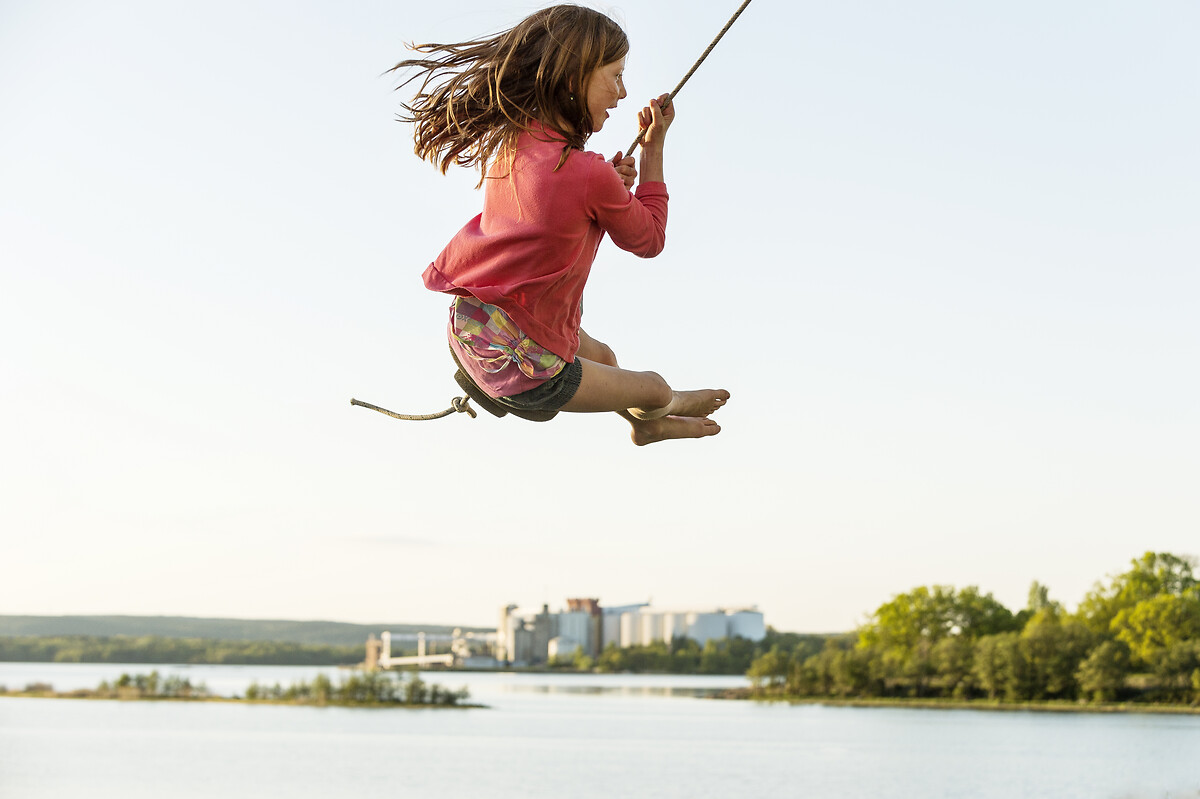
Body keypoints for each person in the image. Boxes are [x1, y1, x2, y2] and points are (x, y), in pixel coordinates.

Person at [393, 4, 729, 445]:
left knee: (606, 358)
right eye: (615, 76)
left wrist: (607, 188)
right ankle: (661, 406)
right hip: (522, 360)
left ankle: (643, 424)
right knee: (653, 386)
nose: (623, 93)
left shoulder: (517, 139)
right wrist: (652, 151)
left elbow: (550, 212)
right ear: (574, 79)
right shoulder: (588, 175)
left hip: (475, 325)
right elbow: (650, 239)